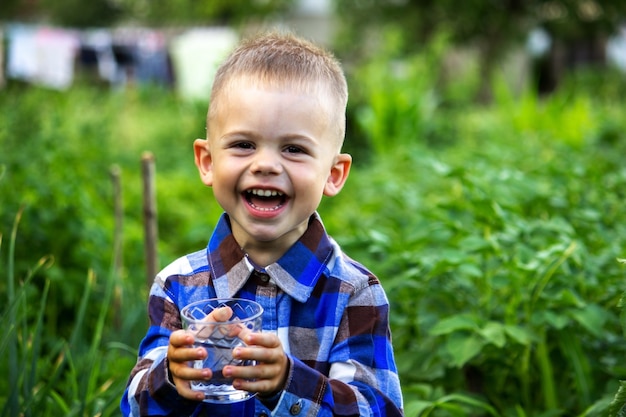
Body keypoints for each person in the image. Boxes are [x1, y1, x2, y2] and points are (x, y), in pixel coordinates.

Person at [120, 31, 403, 417]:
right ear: (207, 161)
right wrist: (172, 377)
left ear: (334, 173)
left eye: (294, 149)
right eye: (243, 145)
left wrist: (291, 382)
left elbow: (379, 409)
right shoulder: (179, 287)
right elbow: (136, 406)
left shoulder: (353, 294)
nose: (266, 164)